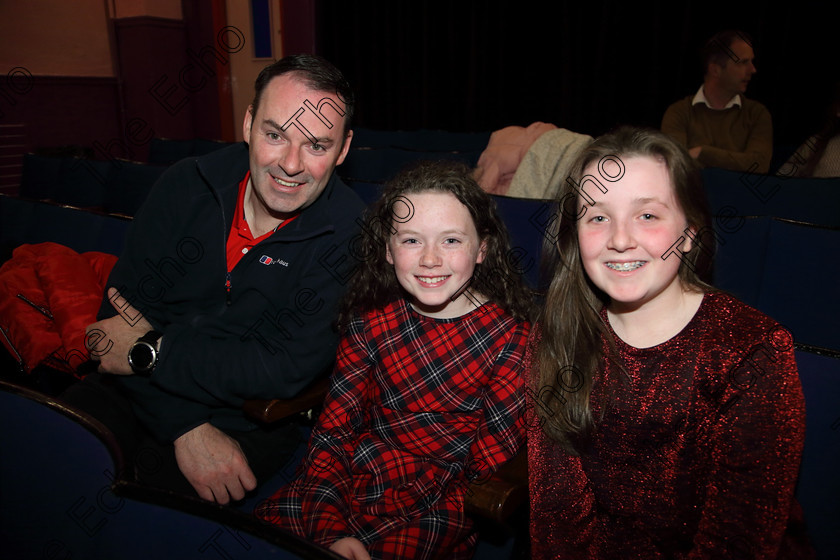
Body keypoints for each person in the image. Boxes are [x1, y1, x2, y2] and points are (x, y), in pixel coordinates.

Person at [61, 54, 366, 505]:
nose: (290, 164)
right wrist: (183, 425)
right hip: (134, 391)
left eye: (317, 146)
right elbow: (114, 323)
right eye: (275, 135)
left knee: (141, 519)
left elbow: (277, 371)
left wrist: (147, 349)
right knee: (45, 459)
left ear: (342, 150)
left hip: (246, 420)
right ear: (248, 125)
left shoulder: (351, 234)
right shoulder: (186, 185)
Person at [527, 126, 812, 558]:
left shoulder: (751, 350)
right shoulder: (558, 334)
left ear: (690, 233)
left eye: (647, 215)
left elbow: (738, 542)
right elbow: (558, 518)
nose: (620, 240)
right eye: (598, 217)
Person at [256, 161, 533, 559]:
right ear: (387, 249)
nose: (431, 259)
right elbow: (333, 435)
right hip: (353, 476)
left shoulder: (511, 339)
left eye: (451, 240)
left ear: (483, 249)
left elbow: (482, 476)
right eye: (411, 241)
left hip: (439, 506)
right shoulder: (370, 319)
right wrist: (330, 530)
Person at [661, 30, 773, 173]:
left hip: (739, 195)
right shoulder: (679, 112)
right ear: (715, 69)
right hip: (693, 195)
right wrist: (736, 161)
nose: (753, 69)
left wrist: (702, 153)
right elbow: (676, 166)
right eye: (743, 62)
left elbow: (759, 166)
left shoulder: (757, 114)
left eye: (751, 61)